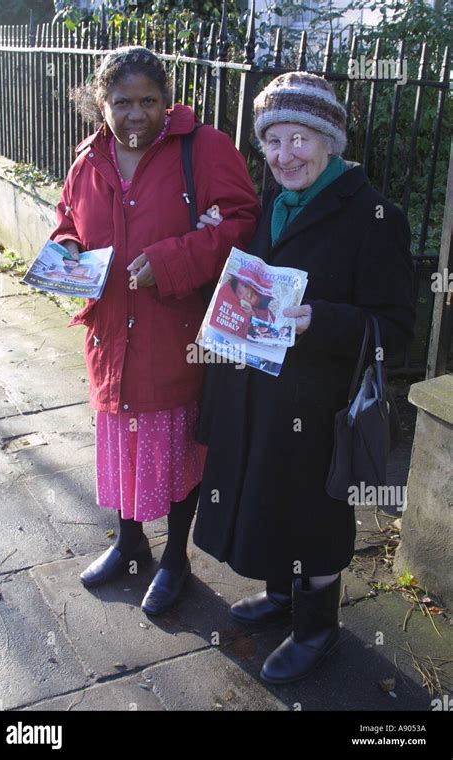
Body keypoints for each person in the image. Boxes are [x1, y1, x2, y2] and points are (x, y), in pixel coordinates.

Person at [193, 72, 415, 683]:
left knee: (313, 511)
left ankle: (317, 626)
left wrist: (323, 320)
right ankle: (283, 595)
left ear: (329, 142)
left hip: (320, 401)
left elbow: (396, 327)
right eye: (273, 142)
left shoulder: (375, 216)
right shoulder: (272, 205)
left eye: (300, 140)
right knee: (268, 492)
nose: (285, 156)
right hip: (259, 389)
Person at [50, 46, 260, 616]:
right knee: (124, 450)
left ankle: (175, 561)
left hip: (177, 339)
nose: (136, 113)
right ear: (102, 102)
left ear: (166, 103)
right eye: (123, 102)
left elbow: (245, 223)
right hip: (110, 337)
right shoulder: (88, 159)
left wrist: (173, 260)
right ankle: (129, 542)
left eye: (148, 101)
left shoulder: (204, 148)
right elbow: (68, 219)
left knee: (176, 455)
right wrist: (66, 250)